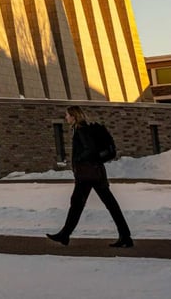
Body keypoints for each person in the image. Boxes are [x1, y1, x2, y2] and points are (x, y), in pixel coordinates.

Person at [46, 106, 133, 248]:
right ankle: (125, 236)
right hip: (94, 173)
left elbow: (90, 149)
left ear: (74, 116)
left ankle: (65, 234)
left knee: (78, 203)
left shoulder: (81, 130)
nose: (66, 118)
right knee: (106, 204)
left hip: (88, 174)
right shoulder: (81, 129)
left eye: (67, 115)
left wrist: (79, 159)